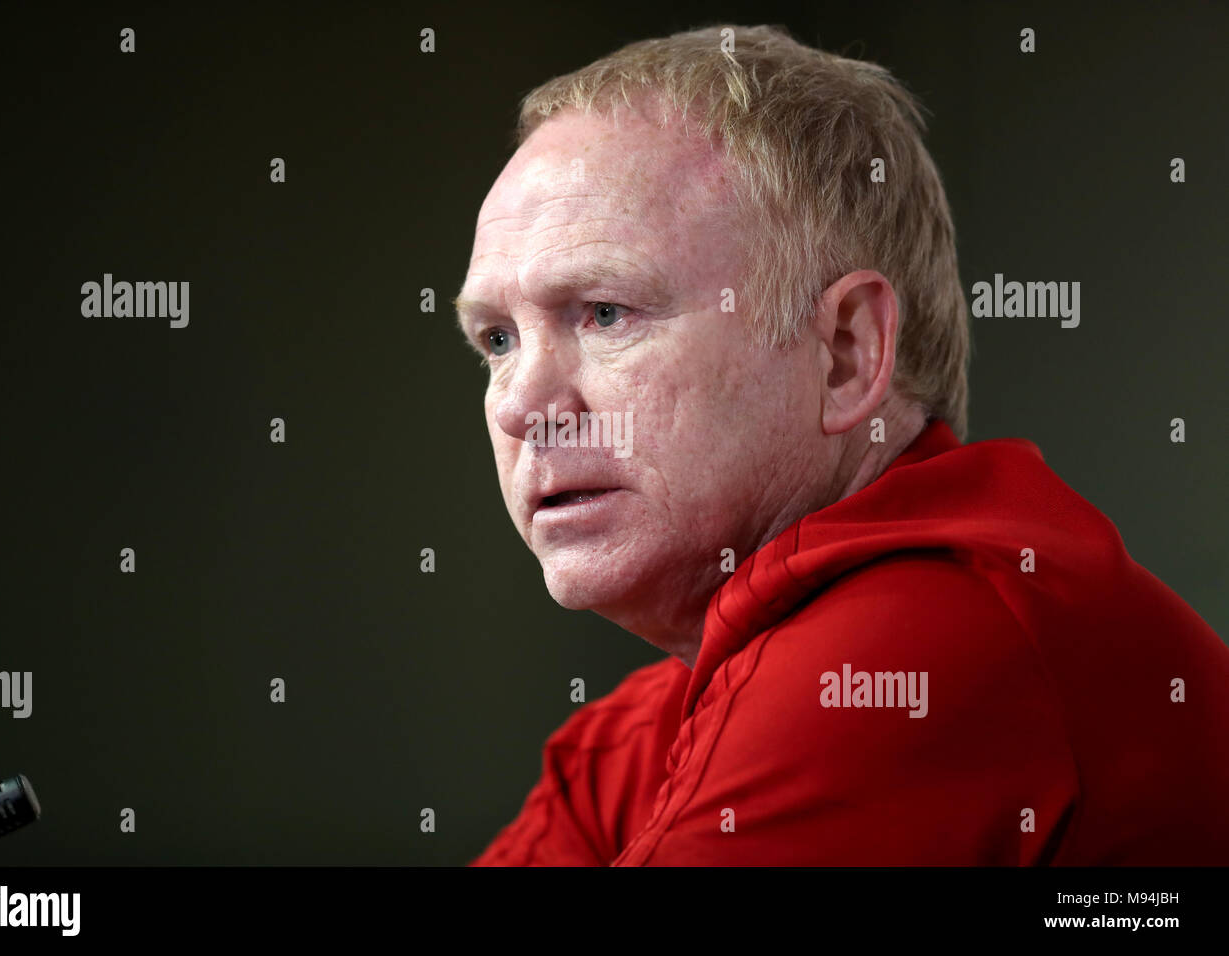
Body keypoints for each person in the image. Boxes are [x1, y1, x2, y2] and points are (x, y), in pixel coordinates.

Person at [453, 24, 1229, 865]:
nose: (521, 404)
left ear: (846, 353)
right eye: (497, 340)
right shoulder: (627, 748)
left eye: (605, 313)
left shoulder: (916, 652)